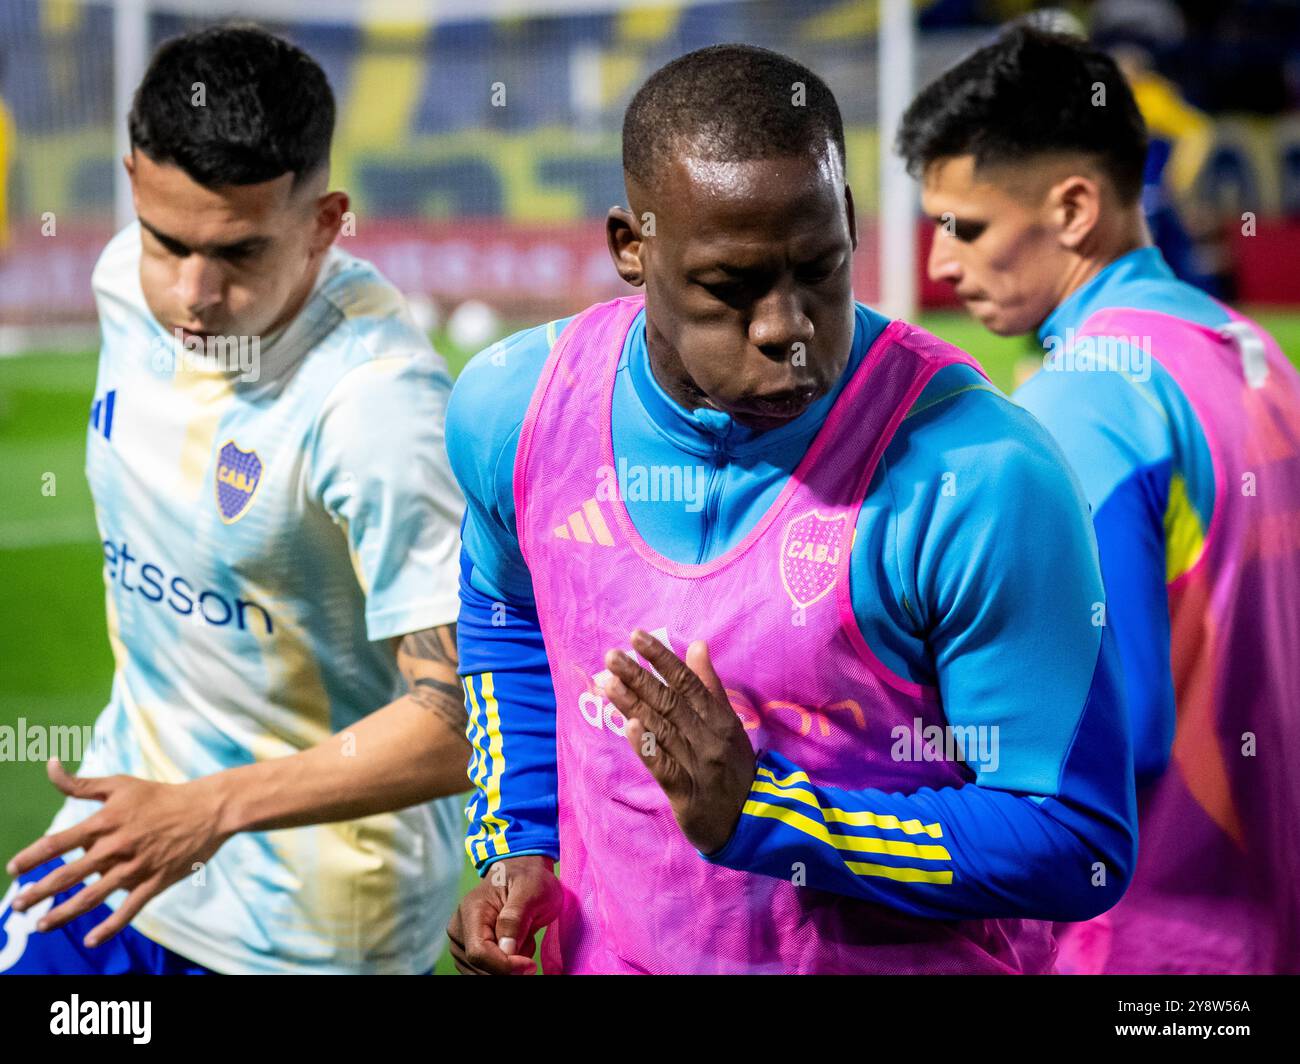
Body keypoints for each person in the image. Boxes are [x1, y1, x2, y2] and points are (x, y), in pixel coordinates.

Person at [444, 43, 1137, 975]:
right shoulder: (516, 410)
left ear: (850, 222)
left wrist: (768, 816)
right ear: (631, 247)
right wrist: (517, 841)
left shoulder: (981, 474)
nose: (786, 328)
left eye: (818, 269)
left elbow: (1077, 841)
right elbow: (508, 615)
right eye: (729, 287)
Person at [0, 25, 470, 975]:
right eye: (168, 243)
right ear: (132, 180)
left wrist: (209, 808)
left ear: (327, 222)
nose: (194, 295)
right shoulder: (121, 286)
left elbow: (464, 720)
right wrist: (170, 809)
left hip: (309, 931)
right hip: (116, 845)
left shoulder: (377, 411)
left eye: (242, 254)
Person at [899, 23, 1300, 974]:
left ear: (1073, 208)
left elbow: (1116, 729)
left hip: (1139, 945)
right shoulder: (1254, 353)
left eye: (966, 226)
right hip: (1262, 915)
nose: (941, 265)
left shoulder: (1082, 400)